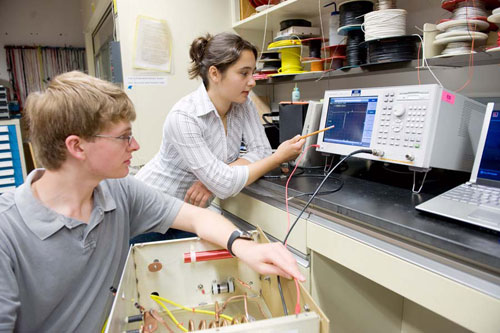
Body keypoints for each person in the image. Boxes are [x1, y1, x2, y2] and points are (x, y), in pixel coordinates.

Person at [0, 71, 305, 332]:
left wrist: (244, 246)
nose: (136, 146)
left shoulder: (119, 192)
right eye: (124, 137)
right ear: (77, 146)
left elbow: (198, 218)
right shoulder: (7, 230)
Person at [135, 32, 304, 240]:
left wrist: (213, 179)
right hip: (150, 215)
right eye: (244, 73)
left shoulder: (243, 104)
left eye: (253, 73)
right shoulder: (184, 117)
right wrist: (277, 158)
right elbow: (224, 185)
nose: (252, 82)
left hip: (191, 215)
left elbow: (259, 151)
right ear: (214, 74)